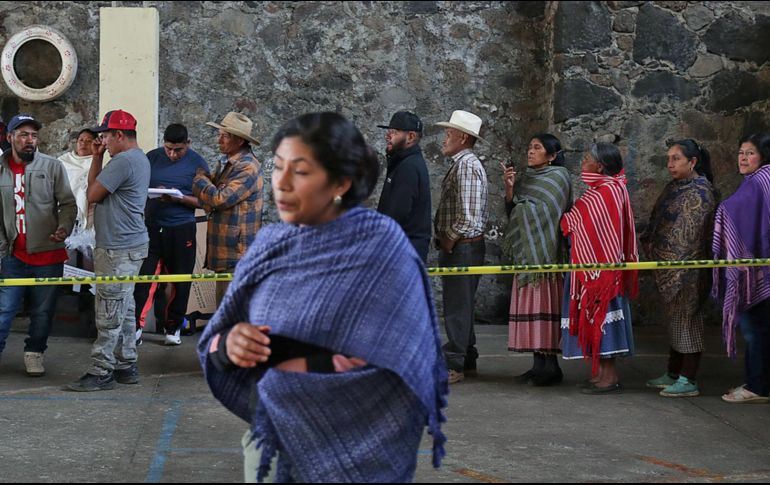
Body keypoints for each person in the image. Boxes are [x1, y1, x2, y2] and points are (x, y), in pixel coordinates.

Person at [198, 112, 447, 482]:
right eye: (278, 167)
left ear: (341, 182)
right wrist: (229, 345)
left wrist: (313, 364)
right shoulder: (268, 247)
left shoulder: (384, 252)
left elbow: (410, 352)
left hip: (358, 447)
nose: (280, 183)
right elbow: (215, 341)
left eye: (299, 171)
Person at [66, 110, 151, 392]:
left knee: (109, 311)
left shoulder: (123, 161)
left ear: (119, 135)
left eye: (105, 136)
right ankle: (126, 364)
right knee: (124, 306)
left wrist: (97, 158)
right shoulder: (139, 158)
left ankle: (101, 370)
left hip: (118, 247)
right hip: (130, 244)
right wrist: (100, 156)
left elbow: (92, 195)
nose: (101, 141)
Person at [0, 114, 76, 377]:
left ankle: (34, 354)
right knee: (4, 310)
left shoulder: (52, 166)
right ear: (10, 138)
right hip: (12, 254)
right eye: (23, 134)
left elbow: (68, 204)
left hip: (48, 255)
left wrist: (64, 227)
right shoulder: (1, 168)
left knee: (43, 312)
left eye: (33, 135)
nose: (29, 140)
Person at [641, 139, 717, 398]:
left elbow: (691, 236)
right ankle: (673, 372)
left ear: (692, 162)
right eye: (668, 158)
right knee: (675, 323)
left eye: (676, 159)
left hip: (688, 271)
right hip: (668, 268)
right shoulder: (674, 187)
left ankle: (688, 378)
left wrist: (678, 268)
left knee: (688, 323)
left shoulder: (701, 192)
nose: (670, 164)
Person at [560, 142, 638, 395]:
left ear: (600, 165)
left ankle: (610, 376)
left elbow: (593, 226)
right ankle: (600, 373)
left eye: (586, 159)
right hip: (593, 267)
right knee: (595, 318)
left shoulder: (609, 191)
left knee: (605, 318)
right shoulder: (602, 190)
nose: (582, 163)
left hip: (604, 272)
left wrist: (569, 220)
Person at [501, 134, 572, 386]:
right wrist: (510, 189)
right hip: (526, 256)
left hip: (546, 255)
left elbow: (546, 212)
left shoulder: (559, 177)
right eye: (529, 147)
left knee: (544, 309)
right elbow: (514, 212)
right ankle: (537, 365)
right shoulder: (526, 179)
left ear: (552, 156)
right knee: (530, 310)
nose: (530, 152)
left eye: (537, 148)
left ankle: (551, 367)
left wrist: (520, 205)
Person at [133, 124, 209, 346]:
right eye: (168, 149)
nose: (172, 154)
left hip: (181, 226)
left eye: (178, 150)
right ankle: (136, 327)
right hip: (151, 225)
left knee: (180, 279)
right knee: (144, 279)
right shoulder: (152, 158)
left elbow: (206, 202)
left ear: (188, 143)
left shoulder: (198, 164)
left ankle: (173, 327)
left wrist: (179, 199)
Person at [713, 133, 770, 404]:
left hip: (759, 273)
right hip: (764, 266)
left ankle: (757, 387)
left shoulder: (759, 181)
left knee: (755, 330)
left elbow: (731, 209)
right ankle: (758, 382)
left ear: (764, 156)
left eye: (750, 153)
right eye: (741, 152)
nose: (744, 158)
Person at [433, 110, 489, 384]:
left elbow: (469, 216)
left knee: (457, 306)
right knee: (461, 305)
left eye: (449, 134)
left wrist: (449, 239)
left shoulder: (466, 165)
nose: (444, 139)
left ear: (463, 137)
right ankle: (467, 360)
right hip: (464, 246)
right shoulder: (463, 164)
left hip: (463, 247)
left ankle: (454, 363)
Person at [192, 112, 263, 306]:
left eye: (224, 135)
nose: (219, 140)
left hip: (237, 256)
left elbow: (219, 199)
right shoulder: (228, 164)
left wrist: (200, 180)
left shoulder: (247, 167)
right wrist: (208, 189)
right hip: (227, 255)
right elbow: (209, 203)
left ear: (239, 141)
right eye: (219, 134)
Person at [376, 110, 432, 262]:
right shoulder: (403, 163)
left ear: (411, 137)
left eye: (394, 132)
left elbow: (397, 214)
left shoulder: (408, 167)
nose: (388, 136)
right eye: (388, 131)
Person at [58, 128, 96, 233]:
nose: (84, 144)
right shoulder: (63, 161)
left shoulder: (97, 162)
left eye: (89, 141)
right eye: (81, 140)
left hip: (90, 212)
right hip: (64, 209)